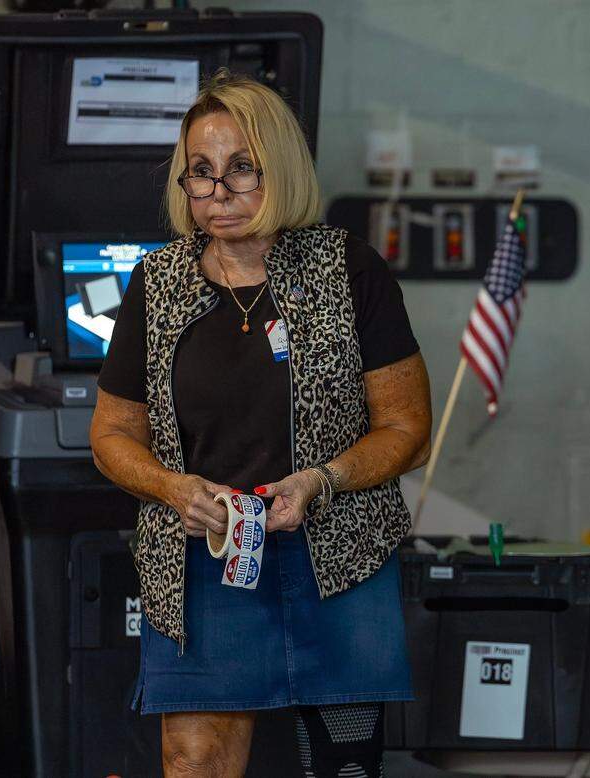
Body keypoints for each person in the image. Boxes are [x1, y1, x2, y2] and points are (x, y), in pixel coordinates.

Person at [89, 69, 432, 778]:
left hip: (340, 561)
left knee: (344, 767)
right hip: (202, 565)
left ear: (279, 167)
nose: (219, 192)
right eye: (201, 174)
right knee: (196, 764)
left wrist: (321, 480)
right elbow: (112, 434)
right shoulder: (158, 282)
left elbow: (406, 426)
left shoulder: (348, 270)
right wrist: (170, 488)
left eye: (241, 169)